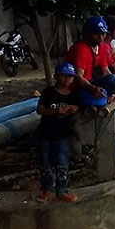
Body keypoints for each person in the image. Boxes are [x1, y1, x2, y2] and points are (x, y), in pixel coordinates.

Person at [36, 62, 80, 203]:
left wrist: (74, 108)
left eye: (70, 77)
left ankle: (62, 191)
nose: (67, 79)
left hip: (63, 135)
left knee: (62, 163)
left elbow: (79, 107)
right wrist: (55, 111)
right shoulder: (48, 92)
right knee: (45, 163)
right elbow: (40, 109)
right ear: (56, 77)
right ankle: (47, 190)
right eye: (64, 76)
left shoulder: (73, 95)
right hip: (45, 134)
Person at [65, 16, 115, 108]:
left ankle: (107, 97)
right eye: (96, 34)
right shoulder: (81, 48)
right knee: (112, 80)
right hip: (79, 88)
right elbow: (78, 77)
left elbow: (106, 71)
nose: (100, 37)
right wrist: (93, 89)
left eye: (103, 34)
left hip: (91, 83)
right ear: (87, 34)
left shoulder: (101, 46)